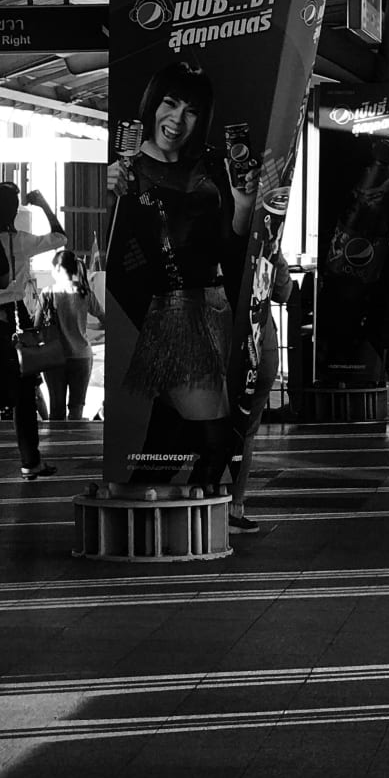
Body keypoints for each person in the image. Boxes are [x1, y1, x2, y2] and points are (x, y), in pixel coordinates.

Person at [107, 60, 253, 486]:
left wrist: (244, 206)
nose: (177, 119)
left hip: (219, 311)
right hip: (173, 318)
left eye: (191, 111)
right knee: (216, 441)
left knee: (169, 440)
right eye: (169, 104)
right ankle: (195, 517)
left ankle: (135, 515)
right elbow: (110, 260)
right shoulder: (124, 173)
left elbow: (230, 247)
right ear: (152, 104)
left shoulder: (211, 164)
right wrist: (108, 196)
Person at [0, 184, 64, 483]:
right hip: (14, 319)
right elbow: (60, 237)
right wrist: (42, 204)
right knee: (24, 396)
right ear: (12, 212)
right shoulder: (21, 241)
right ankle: (30, 462)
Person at [227, 250, 292, 534]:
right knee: (245, 430)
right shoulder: (266, 243)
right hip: (257, 343)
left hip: (218, 337)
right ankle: (233, 507)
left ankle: (206, 501)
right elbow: (283, 292)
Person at [42, 247, 94, 420]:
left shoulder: (48, 292)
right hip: (82, 356)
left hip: (55, 358)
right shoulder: (85, 292)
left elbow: (37, 326)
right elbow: (105, 318)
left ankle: (58, 438)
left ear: (57, 268)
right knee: (77, 410)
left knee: (56, 411)